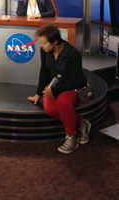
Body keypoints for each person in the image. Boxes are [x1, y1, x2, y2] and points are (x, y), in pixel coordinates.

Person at [27, 24, 91, 155]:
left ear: (55, 42)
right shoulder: (45, 51)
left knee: (63, 102)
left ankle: (71, 136)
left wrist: (54, 91)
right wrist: (38, 93)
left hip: (73, 87)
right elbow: (44, 71)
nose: (41, 46)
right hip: (54, 85)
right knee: (51, 109)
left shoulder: (72, 53)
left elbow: (76, 81)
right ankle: (81, 123)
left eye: (44, 43)